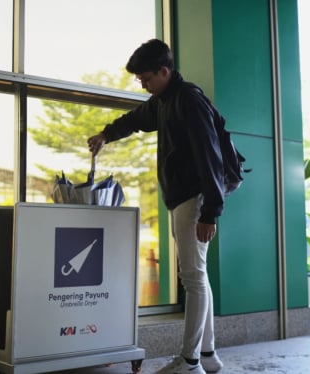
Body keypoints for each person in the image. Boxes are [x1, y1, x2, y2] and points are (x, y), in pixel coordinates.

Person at [87, 39, 225, 374]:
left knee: (192, 278)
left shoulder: (188, 99)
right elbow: (136, 119)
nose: (144, 86)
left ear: (165, 71)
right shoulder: (163, 101)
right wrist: (106, 134)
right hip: (182, 197)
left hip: (195, 198)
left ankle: (190, 363)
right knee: (197, 277)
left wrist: (210, 212)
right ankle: (207, 357)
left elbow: (211, 157)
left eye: (147, 79)